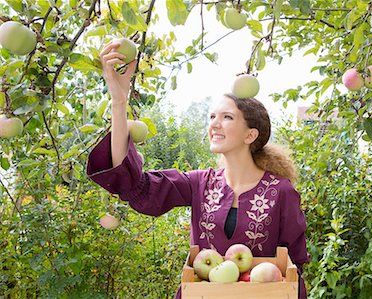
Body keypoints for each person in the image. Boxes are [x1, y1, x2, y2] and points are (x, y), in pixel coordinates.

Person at [87, 41, 310, 299]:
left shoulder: (281, 192)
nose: (215, 124)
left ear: (251, 134)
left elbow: (293, 271)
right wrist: (119, 99)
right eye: (212, 117)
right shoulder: (200, 184)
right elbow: (134, 185)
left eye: (227, 117)